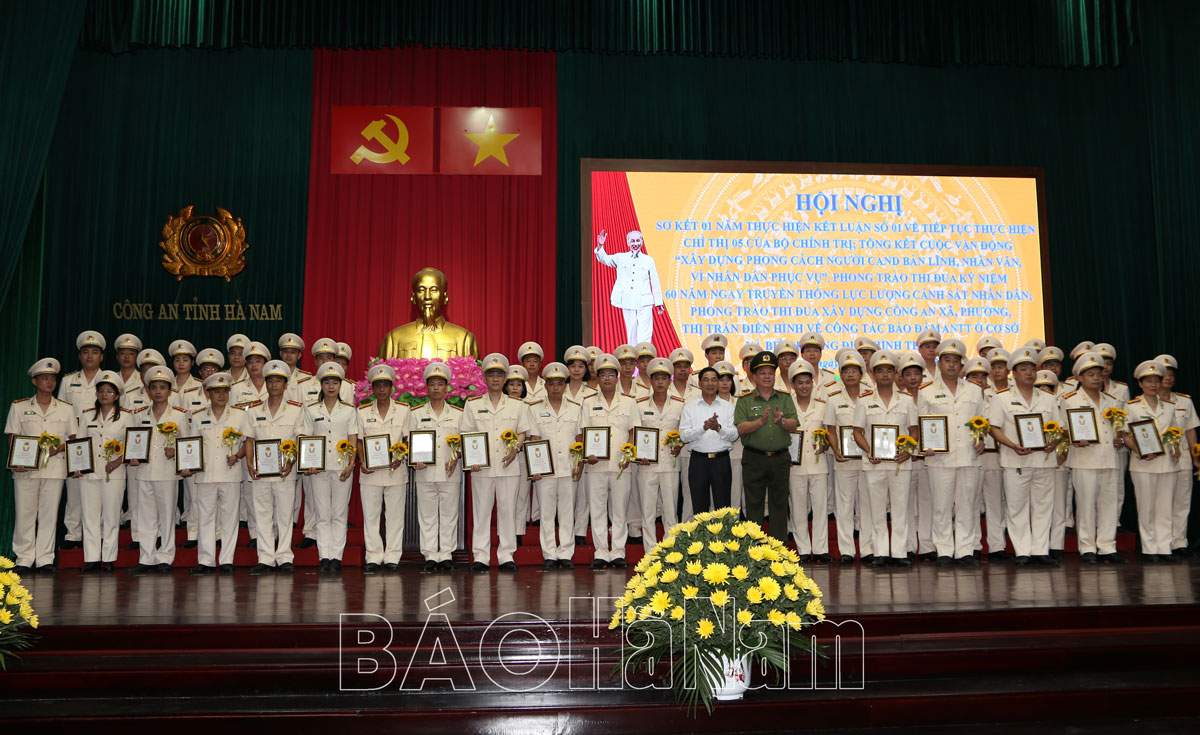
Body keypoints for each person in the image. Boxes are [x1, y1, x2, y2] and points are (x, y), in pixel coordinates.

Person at [987, 346, 1064, 567]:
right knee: (1017, 507)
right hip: (1015, 460)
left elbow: (1058, 428)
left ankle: (1040, 551)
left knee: (1043, 507)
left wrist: (1054, 443)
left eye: (1032, 368)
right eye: (1023, 369)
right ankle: (1022, 552)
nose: (1029, 373)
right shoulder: (1001, 398)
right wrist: (1012, 445)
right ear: (1014, 372)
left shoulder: (1048, 398)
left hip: (1044, 461)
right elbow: (994, 428)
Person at [462, 353, 534, 572]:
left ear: (505, 379)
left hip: (508, 466)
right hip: (481, 468)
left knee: (507, 511)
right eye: (491, 375)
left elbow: (522, 432)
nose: (495, 379)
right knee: (481, 513)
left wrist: (515, 447)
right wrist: (471, 458)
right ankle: (481, 556)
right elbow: (466, 434)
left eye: (499, 375)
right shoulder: (473, 405)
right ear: (484, 378)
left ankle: (506, 555)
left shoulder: (517, 405)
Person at [917, 338, 986, 567]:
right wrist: (925, 444)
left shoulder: (975, 391)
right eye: (947, 360)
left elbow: (982, 422)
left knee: (967, 505)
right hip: (939, 458)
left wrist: (981, 439)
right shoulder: (926, 391)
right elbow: (921, 424)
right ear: (940, 362)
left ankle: (965, 550)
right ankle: (944, 550)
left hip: (968, 456)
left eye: (956, 361)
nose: (951, 365)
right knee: (941, 506)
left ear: (962, 365)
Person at [5, 358, 73, 572]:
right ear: (34, 381)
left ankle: (45, 559)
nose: (49, 382)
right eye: (44, 378)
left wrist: (59, 448)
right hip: (26, 470)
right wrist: (17, 459)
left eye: (52, 378)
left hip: (55, 468)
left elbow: (72, 439)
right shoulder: (20, 406)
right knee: (25, 514)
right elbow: (13, 436)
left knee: (49, 514)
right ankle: (24, 558)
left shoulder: (66, 409)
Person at [852, 352, 919, 567]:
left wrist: (908, 450)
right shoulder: (864, 401)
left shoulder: (907, 400)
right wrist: (869, 450)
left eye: (889, 370)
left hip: (901, 462)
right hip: (875, 463)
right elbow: (857, 431)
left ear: (895, 374)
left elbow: (914, 430)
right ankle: (880, 552)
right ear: (872, 373)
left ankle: (899, 553)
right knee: (876, 510)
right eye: (880, 370)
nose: (885, 374)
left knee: (900, 509)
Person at [1060, 352, 1125, 564]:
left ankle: (1107, 546)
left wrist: (1120, 440)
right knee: (1086, 505)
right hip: (1084, 459)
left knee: (1109, 504)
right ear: (1080, 377)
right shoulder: (1069, 400)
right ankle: (1087, 547)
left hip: (1110, 458)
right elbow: (1062, 429)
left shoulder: (1112, 400)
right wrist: (1075, 438)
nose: (1096, 378)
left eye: (1098, 374)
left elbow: (1121, 430)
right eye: (1090, 374)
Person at [244, 360, 307, 574]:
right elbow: (249, 440)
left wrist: (291, 461)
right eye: (270, 380)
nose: (273, 385)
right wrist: (250, 463)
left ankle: (284, 556)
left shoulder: (296, 410)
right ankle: (265, 558)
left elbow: (300, 439)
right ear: (266, 383)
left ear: (285, 384)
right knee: (262, 515)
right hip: (260, 473)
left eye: (278, 381)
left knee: (284, 515)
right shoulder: (253, 410)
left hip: (284, 472)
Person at [126, 365, 190, 573]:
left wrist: (178, 454)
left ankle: (165, 556)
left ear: (170, 391)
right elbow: (134, 441)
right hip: (144, 472)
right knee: (145, 516)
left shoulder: (179, 415)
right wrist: (133, 456)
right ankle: (146, 556)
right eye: (154, 387)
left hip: (167, 472)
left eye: (162, 388)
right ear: (148, 391)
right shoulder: (139, 415)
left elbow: (188, 445)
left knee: (167, 515)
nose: (158, 392)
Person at [186, 372, 249, 574]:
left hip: (230, 473)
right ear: (208, 393)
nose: (221, 395)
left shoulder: (240, 415)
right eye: (216, 392)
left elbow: (248, 441)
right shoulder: (197, 416)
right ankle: (206, 561)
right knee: (205, 517)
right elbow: (190, 445)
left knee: (230, 518)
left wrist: (238, 456)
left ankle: (227, 560)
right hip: (205, 475)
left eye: (224, 391)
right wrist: (186, 462)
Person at [69, 370, 131, 573]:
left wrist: (116, 462)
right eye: (101, 391)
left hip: (114, 473)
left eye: (110, 391)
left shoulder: (126, 417)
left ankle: (109, 558)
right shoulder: (87, 415)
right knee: (90, 516)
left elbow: (132, 446)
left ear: (117, 395)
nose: (105, 395)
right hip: (90, 472)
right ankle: (92, 558)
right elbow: (79, 443)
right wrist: (77, 465)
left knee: (111, 516)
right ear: (96, 394)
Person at [579, 353, 637, 568]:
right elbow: (583, 433)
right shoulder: (587, 403)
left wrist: (629, 455)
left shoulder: (629, 402)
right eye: (603, 375)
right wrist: (588, 453)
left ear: (617, 377)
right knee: (598, 509)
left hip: (621, 465)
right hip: (597, 466)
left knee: (620, 510)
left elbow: (633, 432)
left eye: (611, 375)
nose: (606, 379)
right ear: (598, 376)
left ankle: (618, 552)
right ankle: (601, 551)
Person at [735, 351, 799, 542]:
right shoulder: (744, 400)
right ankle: (754, 552)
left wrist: (781, 422)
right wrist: (760, 422)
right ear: (754, 376)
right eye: (762, 373)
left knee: (779, 505)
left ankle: (778, 551)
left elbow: (794, 425)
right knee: (754, 506)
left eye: (770, 373)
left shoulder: (785, 398)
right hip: (754, 459)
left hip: (779, 458)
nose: (767, 377)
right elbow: (741, 428)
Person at [302, 362, 359, 572]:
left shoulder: (349, 410)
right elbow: (306, 438)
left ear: (341, 385)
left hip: (342, 467)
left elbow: (353, 440)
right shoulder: (310, 409)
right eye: (327, 382)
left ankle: (336, 556)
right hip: (318, 468)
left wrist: (351, 464)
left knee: (339, 513)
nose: (331, 386)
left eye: (335, 382)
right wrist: (308, 463)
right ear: (321, 385)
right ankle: (323, 555)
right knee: (322, 513)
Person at [1123, 360, 1182, 562]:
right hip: (1143, 463)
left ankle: (1164, 547)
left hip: (1167, 463)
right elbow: (1126, 435)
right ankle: (1149, 549)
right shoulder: (1131, 407)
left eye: (1157, 380)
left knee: (1165, 507)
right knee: (1146, 507)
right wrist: (1139, 449)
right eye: (1148, 381)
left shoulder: (1170, 406)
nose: (1154, 385)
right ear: (1140, 383)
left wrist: (1175, 449)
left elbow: (1175, 432)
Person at [407, 362, 463, 571]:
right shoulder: (416, 413)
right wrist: (415, 459)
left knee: (449, 515)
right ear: (427, 387)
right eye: (433, 384)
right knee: (427, 516)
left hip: (450, 471)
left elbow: (464, 441)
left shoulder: (458, 413)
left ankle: (446, 554)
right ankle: (430, 554)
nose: (436, 388)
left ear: (447, 387)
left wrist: (458, 456)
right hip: (425, 472)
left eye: (440, 384)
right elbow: (409, 442)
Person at [356, 364, 411, 573]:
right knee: (371, 516)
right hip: (370, 473)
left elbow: (407, 439)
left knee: (395, 517)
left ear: (391, 388)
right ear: (372, 388)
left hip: (395, 471)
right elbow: (360, 441)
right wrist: (362, 461)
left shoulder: (404, 410)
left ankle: (392, 556)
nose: (381, 390)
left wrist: (401, 456)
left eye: (385, 385)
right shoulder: (362, 412)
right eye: (377, 385)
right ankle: (373, 555)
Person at [528, 362, 583, 567]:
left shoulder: (576, 409)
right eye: (552, 384)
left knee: (568, 512)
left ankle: (566, 553)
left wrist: (580, 464)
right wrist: (535, 468)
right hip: (545, 470)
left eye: (560, 383)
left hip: (569, 468)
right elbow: (534, 439)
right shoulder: (534, 410)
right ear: (546, 386)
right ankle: (549, 553)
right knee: (547, 513)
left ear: (565, 386)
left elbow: (579, 438)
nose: (556, 388)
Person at [58, 330, 106, 551]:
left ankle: (101, 532)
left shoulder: (109, 380)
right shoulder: (68, 381)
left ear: (101, 357)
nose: (89, 356)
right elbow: (61, 413)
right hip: (76, 443)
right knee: (75, 490)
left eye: (94, 352)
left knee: (103, 491)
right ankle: (73, 534)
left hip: (100, 442)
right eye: (85, 352)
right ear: (79, 356)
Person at [825, 351, 874, 563]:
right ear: (840, 374)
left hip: (868, 460)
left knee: (867, 505)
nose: (851, 374)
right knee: (844, 506)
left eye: (855, 370)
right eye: (846, 371)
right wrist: (835, 450)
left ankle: (867, 549)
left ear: (862, 374)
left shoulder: (872, 396)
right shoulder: (833, 398)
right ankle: (846, 550)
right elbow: (830, 429)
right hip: (844, 460)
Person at [633, 358, 686, 553]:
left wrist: (679, 445)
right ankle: (650, 552)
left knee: (670, 511)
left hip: (671, 464)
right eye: (657, 378)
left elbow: (684, 432)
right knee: (647, 511)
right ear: (651, 380)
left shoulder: (680, 405)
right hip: (647, 466)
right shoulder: (639, 404)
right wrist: (639, 454)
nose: (661, 382)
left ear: (670, 381)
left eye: (664, 378)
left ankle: (670, 551)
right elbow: (635, 434)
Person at [378, 267, 480, 359]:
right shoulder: (393, 338)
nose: (427, 296)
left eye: (434, 290)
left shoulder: (464, 339)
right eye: (421, 290)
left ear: (445, 297)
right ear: (413, 298)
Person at [1155, 354, 1200, 557]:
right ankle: (1160, 543)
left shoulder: (1185, 401)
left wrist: (1196, 457)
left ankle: (1179, 542)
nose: (1168, 378)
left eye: (1171, 374)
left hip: (1182, 458)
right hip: (1158, 458)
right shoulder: (1147, 403)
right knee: (1160, 502)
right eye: (1164, 374)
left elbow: (1191, 431)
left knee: (1182, 501)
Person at [787, 362, 830, 562]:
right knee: (798, 508)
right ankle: (803, 549)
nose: (804, 386)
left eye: (807, 382)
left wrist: (827, 444)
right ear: (793, 384)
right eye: (799, 383)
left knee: (820, 507)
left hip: (819, 464)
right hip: (794, 466)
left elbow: (831, 433)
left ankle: (821, 549)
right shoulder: (787, 405)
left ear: (813, 383)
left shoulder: (822, 405)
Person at [681, 365, 737, 514]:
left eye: (713, 380)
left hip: (721, 461)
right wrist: (703, 428)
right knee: (699, 507)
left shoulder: (728, 407)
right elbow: (684, 435)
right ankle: (701, 537)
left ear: (718, 383)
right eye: (706, 380)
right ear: (699, 384)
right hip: (698, 461)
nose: (710, 384)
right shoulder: (690, 407)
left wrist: (718, 428)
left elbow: (734, 434)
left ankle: (723, 538)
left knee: (723, 506)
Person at [594, 229, 664, 345]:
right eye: (632, 241)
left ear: (641, 241)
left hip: (644, 302)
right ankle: (633, 362)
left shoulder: (648, 260)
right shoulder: (620, 257)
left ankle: (644, 360)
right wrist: (600, 246)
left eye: (637, 241)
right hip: (628, 301)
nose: (635, 244)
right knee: (631, 334)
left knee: (645, 335)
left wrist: (658, 302)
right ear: (628, 243)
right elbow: (604, 259)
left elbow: (655, 282)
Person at [898, 351, 932, 559]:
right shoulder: (897, 398)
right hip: (905, 459)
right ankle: (909, 546)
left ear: (922, 375)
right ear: (901, 376)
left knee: (928, 504)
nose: (912, 378)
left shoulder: (932, 395)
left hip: (928, 458)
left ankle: (927, 546)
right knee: (906, 504)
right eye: (907, 374)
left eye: (916, 373)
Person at [713, 360, 745, 511]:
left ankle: (734, 527)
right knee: (715, 494)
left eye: (728, 380)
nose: (725, 383)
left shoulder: (740, 402)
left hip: (736, 453)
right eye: (721, 379)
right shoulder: (709, 403)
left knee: (735, 492)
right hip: (715, 453)